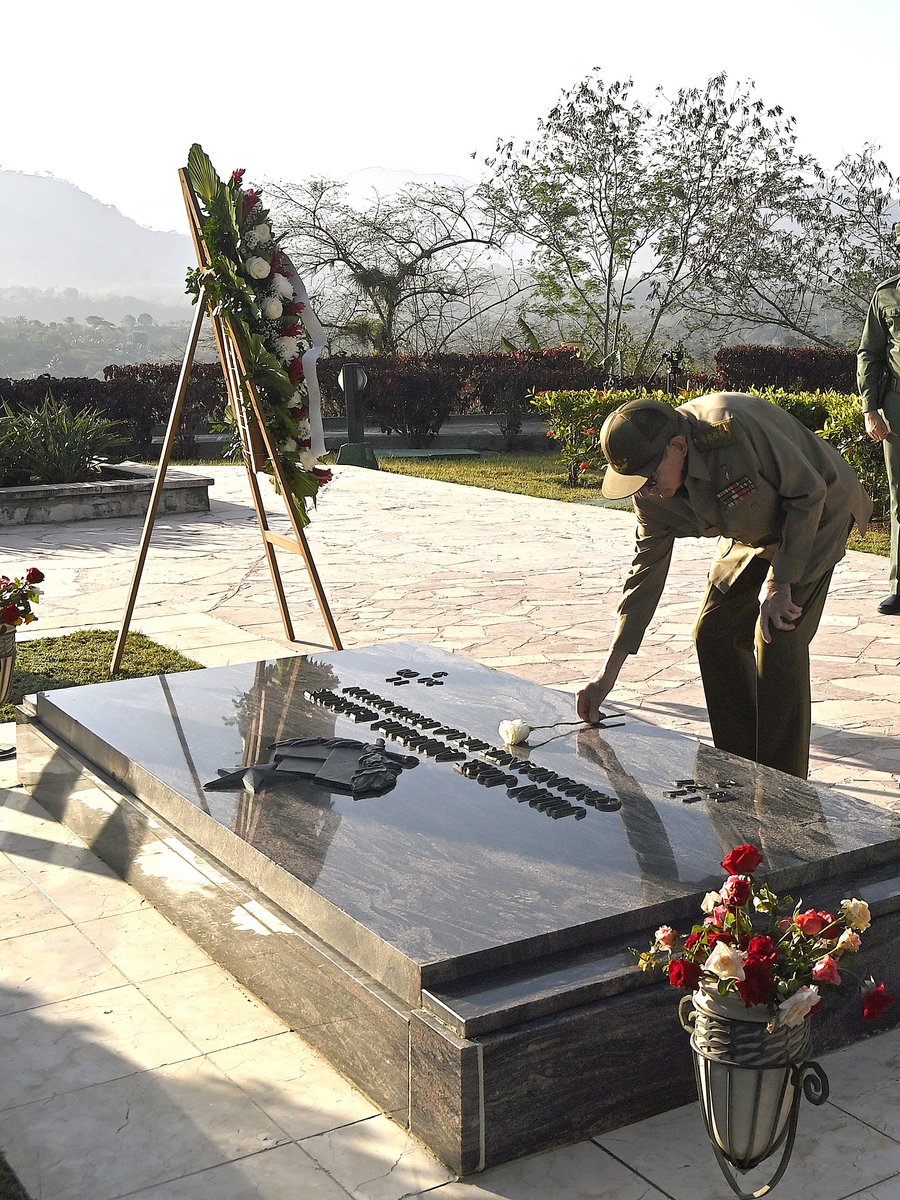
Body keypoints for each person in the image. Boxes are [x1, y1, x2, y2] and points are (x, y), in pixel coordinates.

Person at [576, 393, 871, 779]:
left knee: (778, 633)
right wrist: (607, 676)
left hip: (818, 512)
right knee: (713, 631)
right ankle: (739, 767)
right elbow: (643, 578)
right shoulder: (652, 497)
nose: (643, 490)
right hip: (752, 529)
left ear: (678, 447)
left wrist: (780, 582)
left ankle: (785, 784)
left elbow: (807, 494)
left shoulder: (731, 431)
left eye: (648, 477)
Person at [857, 232, 900, 615]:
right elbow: (870, 353)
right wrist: (871, 409)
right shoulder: (886, 295)